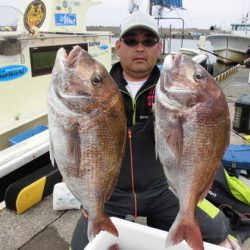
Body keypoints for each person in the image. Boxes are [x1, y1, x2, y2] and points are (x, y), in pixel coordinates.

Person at [70, 11, 240, 250]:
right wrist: (86, 194)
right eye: (131, 41)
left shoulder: (172, 84)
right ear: (118, 46)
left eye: (148, 41)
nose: (140, 47)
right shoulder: (98, 87)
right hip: (111, 194)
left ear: (159, 47)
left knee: (219, 231)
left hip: (163, 189)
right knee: (80, 246)